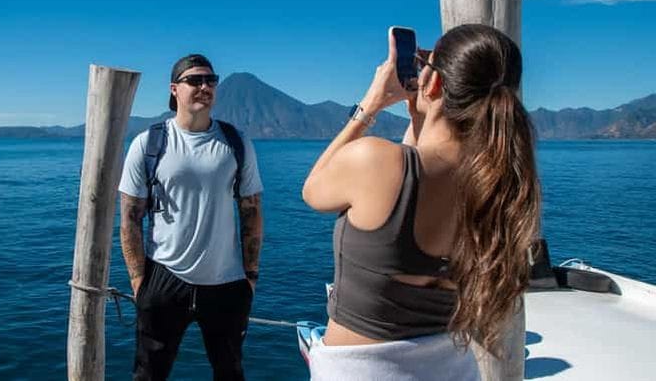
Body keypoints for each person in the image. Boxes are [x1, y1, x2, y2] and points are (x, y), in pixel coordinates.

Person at [302, 24, 541, 380]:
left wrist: (371, 103)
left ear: (433, 82)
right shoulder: (498, 186)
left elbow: (313, 190)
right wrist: (420, 115)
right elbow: (421, 169)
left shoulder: (376, 161)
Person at [118, 54, 264, 381]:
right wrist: (139, 282)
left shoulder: (236, 143)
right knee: (148, 375)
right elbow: (129, 218)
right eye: (194, 80)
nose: (204, 87)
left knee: (230, 373)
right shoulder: (148, 144)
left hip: (227, 283)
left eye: (210, 80)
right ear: (174, 89)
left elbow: (252, 210)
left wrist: (250, 278)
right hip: (164, 278)